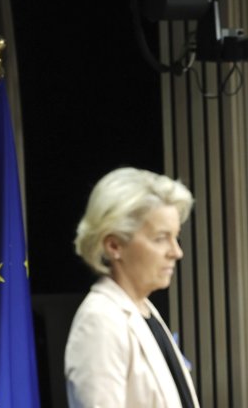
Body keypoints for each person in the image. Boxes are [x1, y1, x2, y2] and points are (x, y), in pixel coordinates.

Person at [65, 167, 200, 408]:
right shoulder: (99, 322)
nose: (176, 252)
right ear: (114, 245)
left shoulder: (144, 310)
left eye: (175, 237)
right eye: (161, 238)